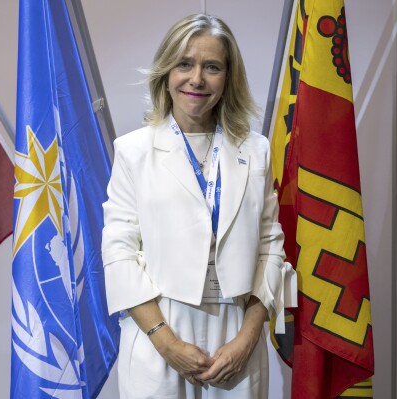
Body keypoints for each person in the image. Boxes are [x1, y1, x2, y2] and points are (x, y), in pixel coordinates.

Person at [102, 14, 296, 399]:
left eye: (212, 67)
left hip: (237, 330)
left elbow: (271, 249)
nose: (197, 79)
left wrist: (248, 336)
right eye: (185, 64)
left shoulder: (255, 150)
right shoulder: (133, 151)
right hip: (160, 328)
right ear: (166, 73)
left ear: (228, 78)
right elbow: (119, 253)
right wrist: (166, 343)